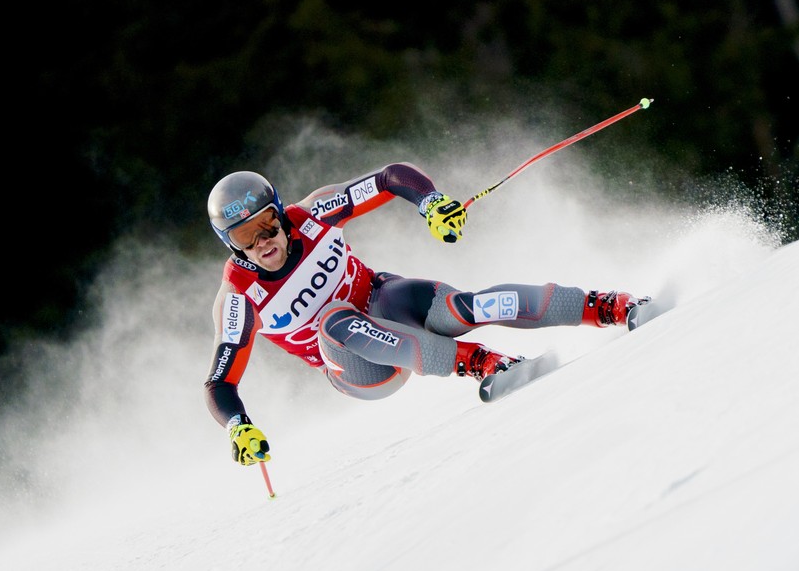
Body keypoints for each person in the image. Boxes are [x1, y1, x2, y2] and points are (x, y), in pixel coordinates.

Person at [204, 163, 646, 466]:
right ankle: (476, 362)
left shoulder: (314, 214)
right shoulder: (240, 297)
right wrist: (237, 426)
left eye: (265, 224)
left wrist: (431, 203)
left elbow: (388, 178)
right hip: (359, 366)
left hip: (386, 304)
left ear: (279, 212)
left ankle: (604, 306)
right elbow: (220, 381)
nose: (262, 242)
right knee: (335, 318)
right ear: (231, 244)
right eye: (245, 237)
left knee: (465, 307)